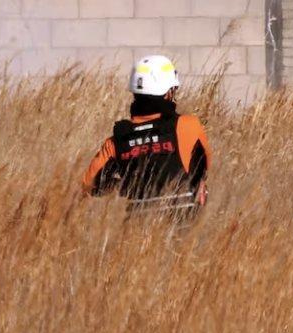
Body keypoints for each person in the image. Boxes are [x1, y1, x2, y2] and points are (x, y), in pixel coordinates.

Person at [81, 54, 212, 215]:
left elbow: (89, 184)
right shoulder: (188, 125)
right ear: (168, 93)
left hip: (137, 231)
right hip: (186, 227)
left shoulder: (116, 141)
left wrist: (121, 184)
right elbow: (202, 168)